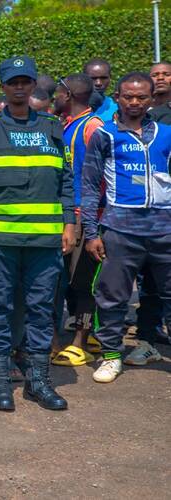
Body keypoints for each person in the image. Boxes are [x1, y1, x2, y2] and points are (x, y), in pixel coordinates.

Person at [0, 56, 74, 412]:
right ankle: (0, 381)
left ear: (33, 85)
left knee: (41, 309)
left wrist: (69, 223)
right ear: (4, 87)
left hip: (44, 240)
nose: (20, 87)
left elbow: (66, 180)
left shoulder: (52, 127)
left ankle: (38, 381)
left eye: (25, 81)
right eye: (13, 82)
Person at [81, 72, 171, 383]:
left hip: (164, 230)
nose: (134, 102)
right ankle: (111, 356)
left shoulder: (166, 134)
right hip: (120, 230)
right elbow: (90, 186)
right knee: (112, 296)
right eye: (128, 96)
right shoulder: (104, 135)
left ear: (151, 99)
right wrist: (91, 233)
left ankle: (150, 346)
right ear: (117, 98)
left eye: (141, 97)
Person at [49, 73, 104, 367]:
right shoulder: (68, 125)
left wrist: (93, 220)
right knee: (62, 281)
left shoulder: (92, 127)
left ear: (68, 95)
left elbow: (104, 175)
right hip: (67, 214)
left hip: (85, 216)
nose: (55, 97)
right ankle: (60, 340)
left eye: (58, 92)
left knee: (82, 280)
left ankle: (81, 343)